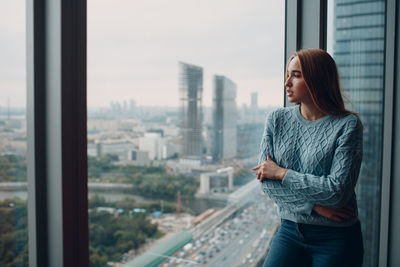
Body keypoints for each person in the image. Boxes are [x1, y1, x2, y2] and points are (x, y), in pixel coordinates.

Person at [252, 48, 364, 267]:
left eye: (296, 75)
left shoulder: (347, 125)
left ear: (318, 79)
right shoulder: (277, 119)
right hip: (289, 230)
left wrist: (282, 173)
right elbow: (267, 183)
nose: (287, 83)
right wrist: (313, 207)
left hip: (335, 238)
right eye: (287, 75)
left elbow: (338, 192)